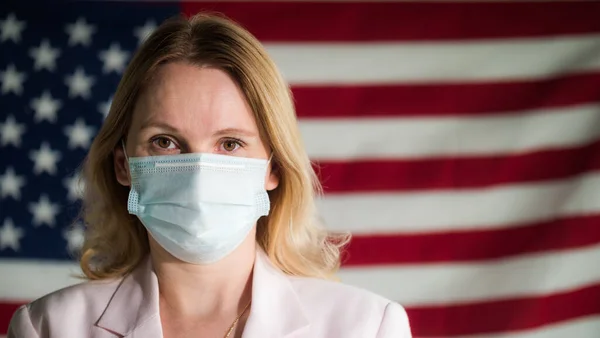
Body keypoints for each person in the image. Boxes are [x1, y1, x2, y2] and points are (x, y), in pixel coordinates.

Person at [8, 13, 412, 338]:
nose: (198, 174)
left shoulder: (366, 326)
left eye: (230, 144)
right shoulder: (48, 327)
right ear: (123, 165)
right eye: (165, 142)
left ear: (273, 167)